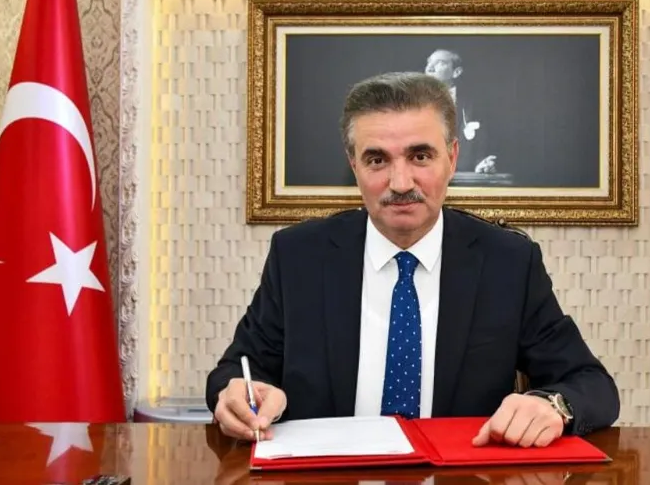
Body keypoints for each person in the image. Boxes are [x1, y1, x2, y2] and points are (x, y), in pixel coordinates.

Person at [206, 71, 620, 448]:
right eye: (377, 160)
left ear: (452, 159)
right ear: (353, 165)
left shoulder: (508, 263)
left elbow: (592, 384)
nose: (401, 183)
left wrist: (552, 405)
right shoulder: (299, 256)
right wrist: (242, 394)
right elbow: (234, 373)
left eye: (420, 156)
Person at [423, 49, 495, 174]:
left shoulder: (475, 105)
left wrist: (481, 163)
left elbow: (482, 142)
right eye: (429, 62)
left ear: (456, 72)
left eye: (440, 63)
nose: (430, 68)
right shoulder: (411, 102)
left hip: (462, 174)